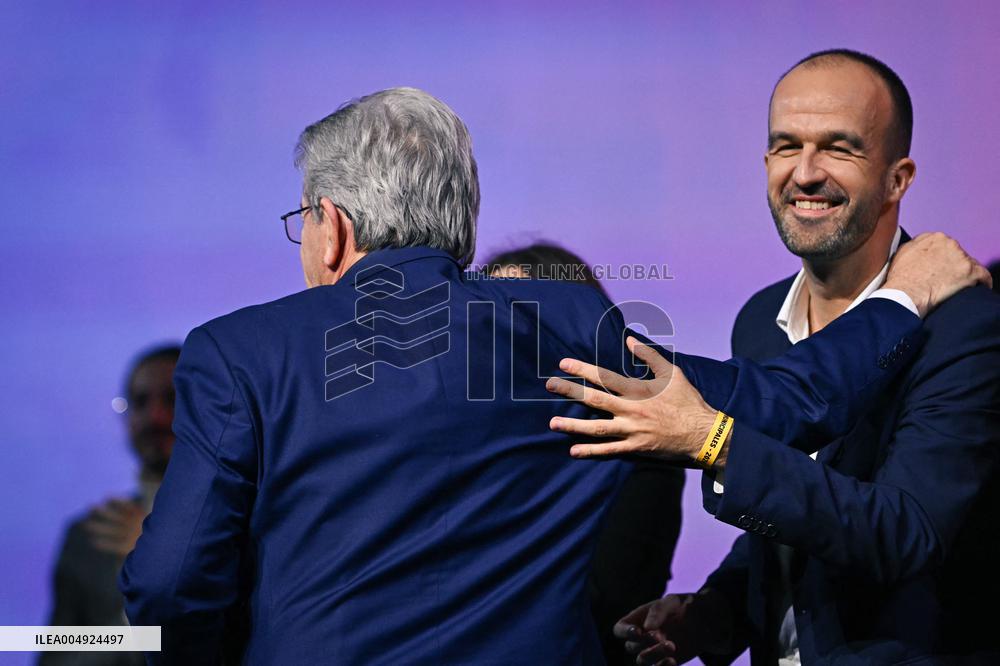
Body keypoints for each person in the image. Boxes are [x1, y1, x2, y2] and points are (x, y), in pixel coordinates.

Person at [119, 86, 983, 665]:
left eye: (299, 222)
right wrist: (903, 295)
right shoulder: (567, 328)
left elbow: (166, 583)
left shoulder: (240, 352)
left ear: (332, 225)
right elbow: (796, 400)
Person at [550, 50, 1000, 664]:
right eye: (786, 146)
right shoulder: (760, 319)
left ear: (898, 178)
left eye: (839, 148)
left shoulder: (965, 326)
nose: (806, 173)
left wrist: (716, 443)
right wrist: (718, 610)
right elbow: (796, 516)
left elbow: (906, 531)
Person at [486, 242, 686, 666]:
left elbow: (608, 604)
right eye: (487, 319)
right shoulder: (462, 449)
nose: (498, 337)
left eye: (519, 319)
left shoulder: (641, 454)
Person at [41, 344, 180, 666]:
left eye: (172, 399)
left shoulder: (249, 521)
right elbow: (56, 656)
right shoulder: (88, 537)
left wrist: (159, 559)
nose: (155, 417)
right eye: (140, 402)